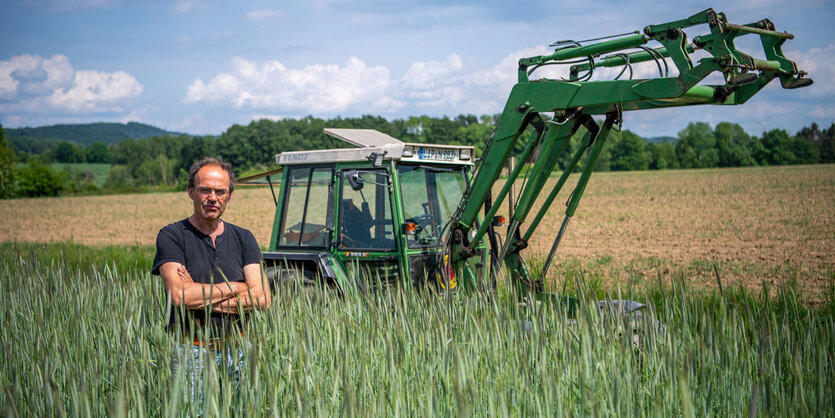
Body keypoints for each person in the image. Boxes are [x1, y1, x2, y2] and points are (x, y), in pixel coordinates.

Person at [152, 157, 271, 405]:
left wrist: (198, 297)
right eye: (205, 190)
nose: (212, 197)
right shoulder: (172, 236)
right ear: (191, 192)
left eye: (220, 191)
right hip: (191, 350)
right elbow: (179, 296)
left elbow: (261, 298)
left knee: (242, 411)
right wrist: (236, 288)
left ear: (229, 196)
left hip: (237, 349)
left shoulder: (244, 238)